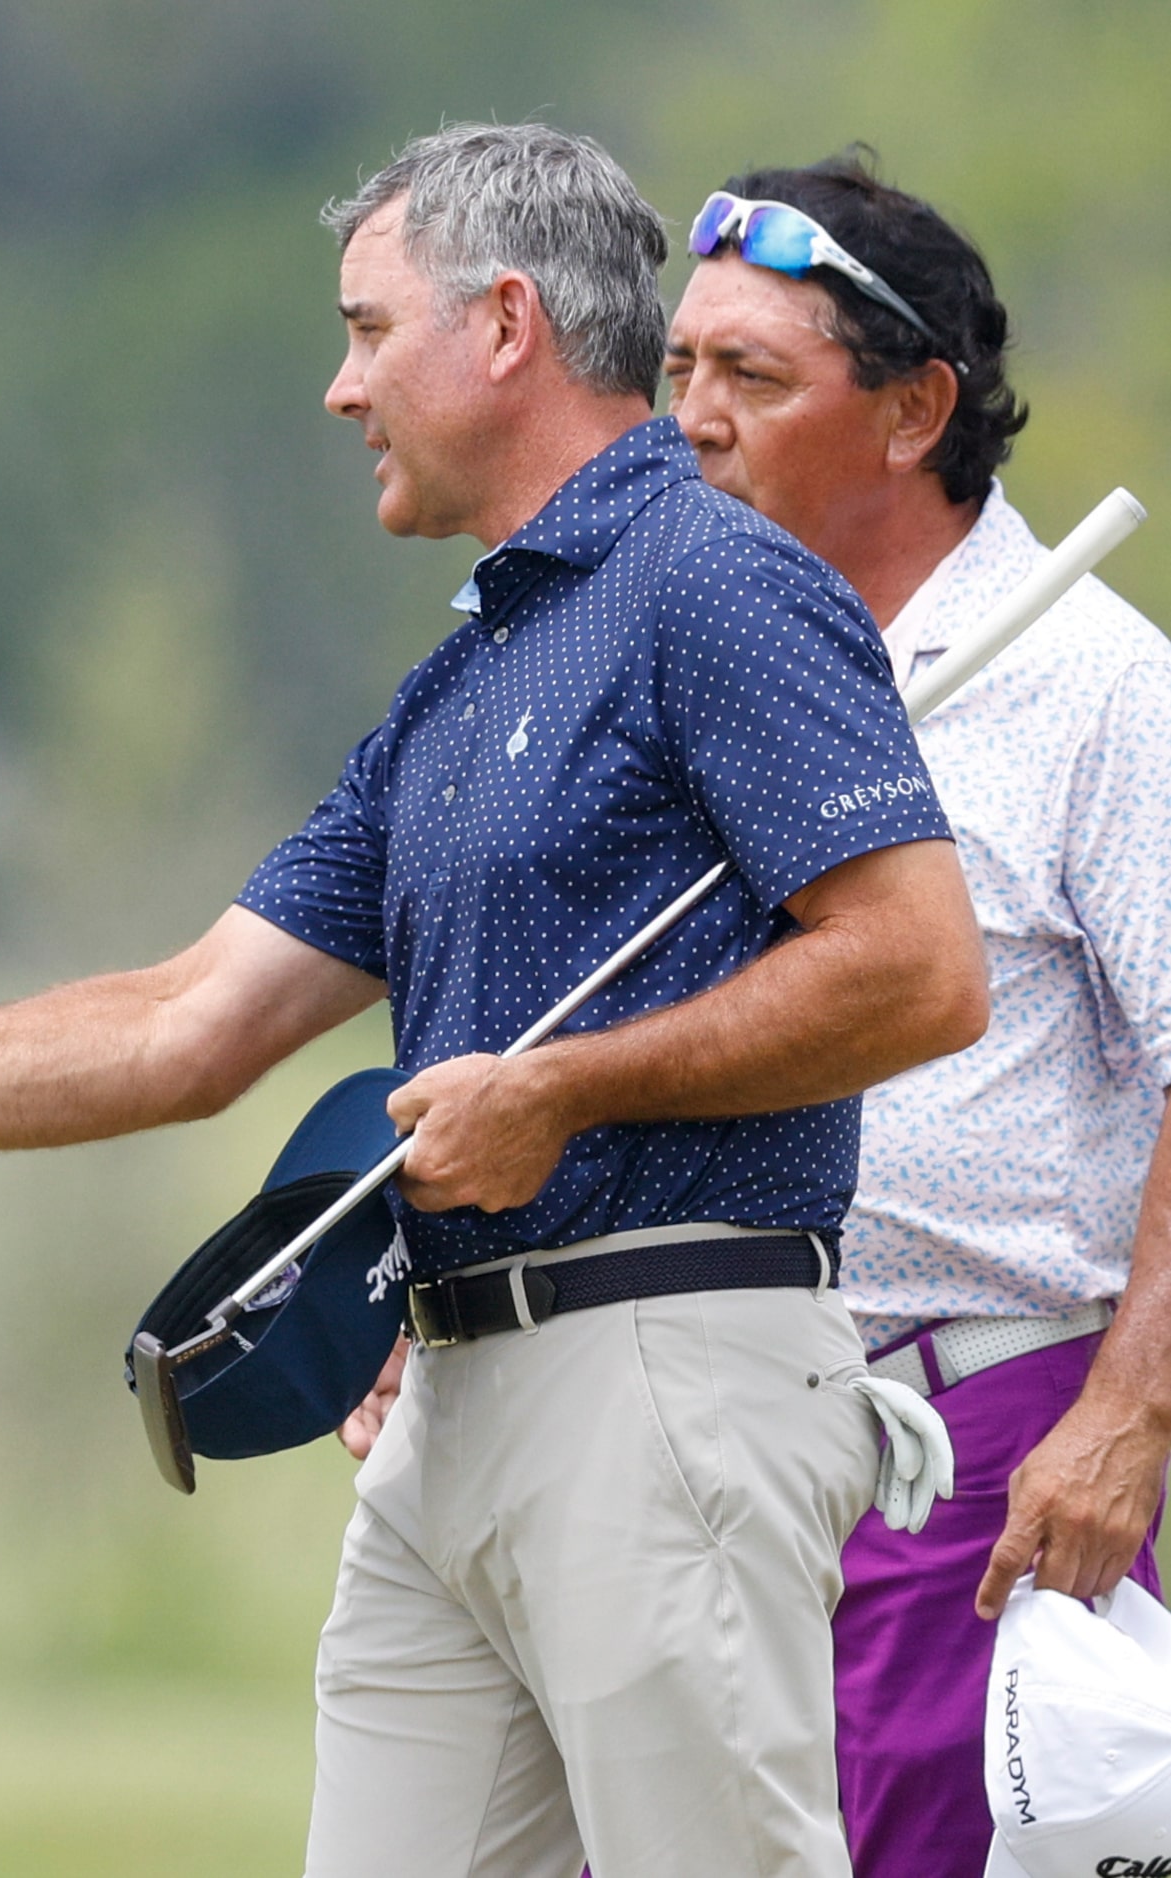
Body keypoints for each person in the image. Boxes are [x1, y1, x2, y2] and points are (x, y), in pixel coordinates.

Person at [0, 123, 990, 1876]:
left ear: (507, 324)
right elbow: (186, 1021)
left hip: (665, 1376)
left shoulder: (716, 580)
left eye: (367, 328)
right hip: (450, 1399)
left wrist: (562, 1092)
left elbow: (917, 967)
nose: (338, 387)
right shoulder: (469, 673)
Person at [664, 153, 1171, 1878]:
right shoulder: (686, 674)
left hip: (986, 1455)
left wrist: (1131, 1412)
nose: (691, 421)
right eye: (677, 370)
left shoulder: (1096, 690)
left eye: (750, 376)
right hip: (695, 1441)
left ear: (910, 412)